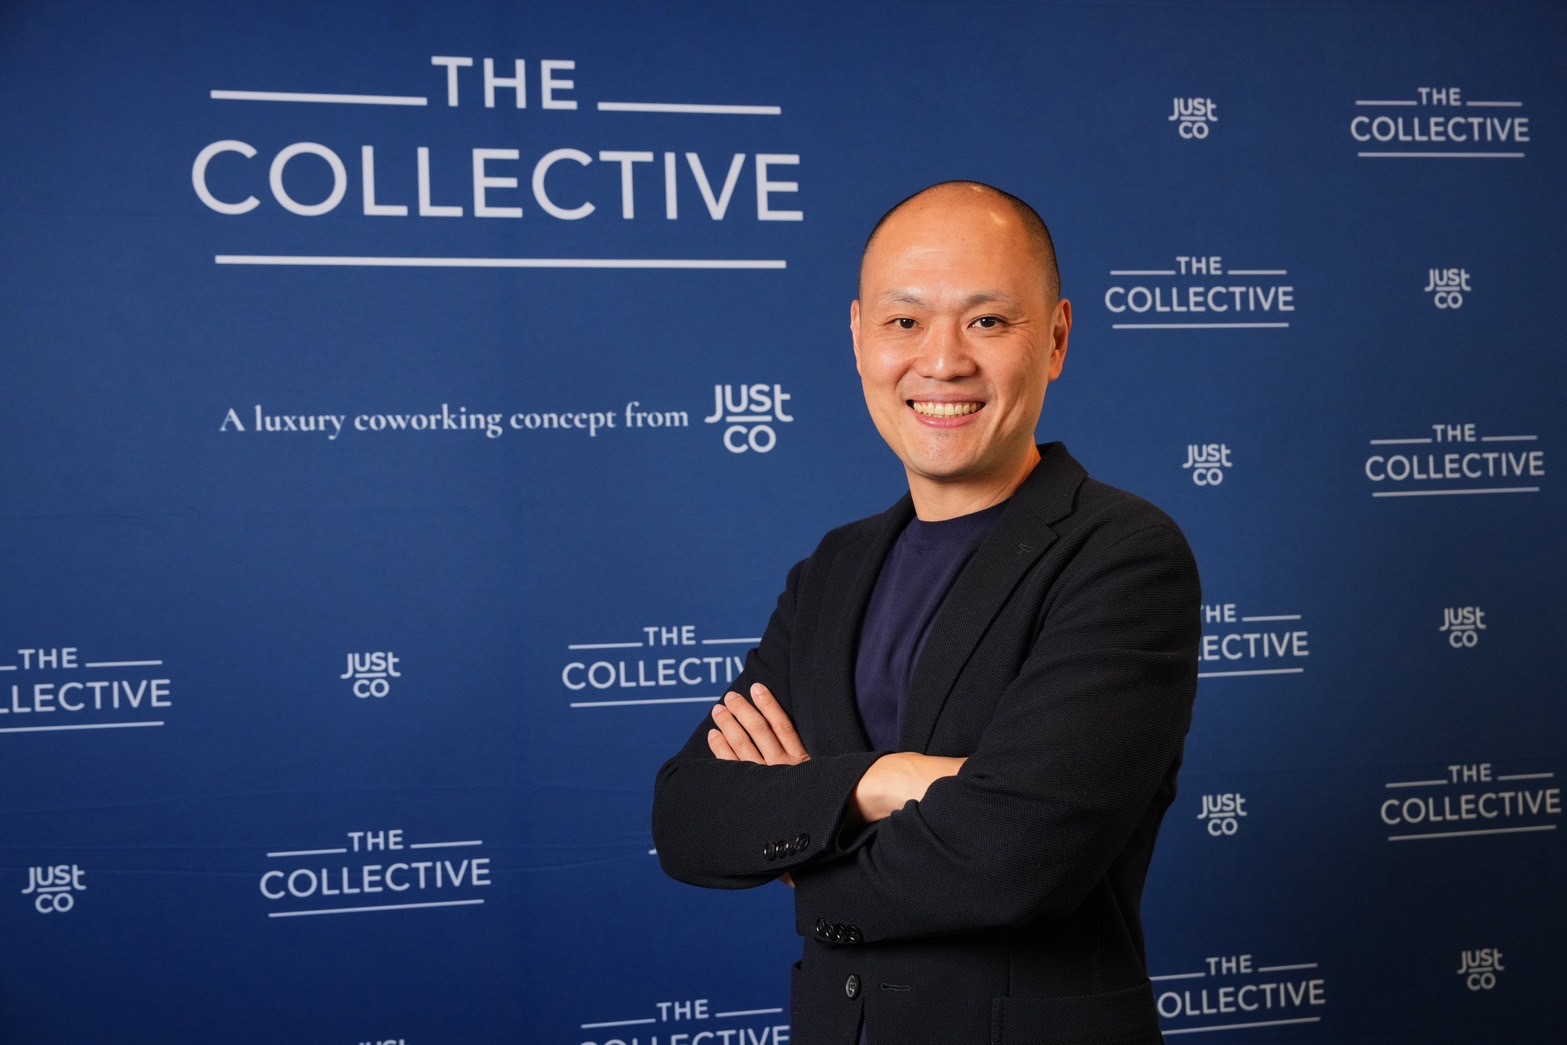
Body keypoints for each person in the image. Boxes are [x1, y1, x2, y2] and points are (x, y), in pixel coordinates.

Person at [652, 181, 1200, 1045]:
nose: (942, 361)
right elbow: (690, 816)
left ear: (1056, 339)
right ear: (858, 337)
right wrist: (885, 779)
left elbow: (1013, 856)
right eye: (904, 321)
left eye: (988, 321)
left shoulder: (1121, 554)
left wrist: (805, 830)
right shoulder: (833, 569)